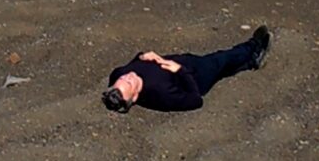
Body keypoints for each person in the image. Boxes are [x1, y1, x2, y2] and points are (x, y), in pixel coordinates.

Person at [101, 25, 271, 113]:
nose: (128, 76)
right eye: (129, 83)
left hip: (186, 60)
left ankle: (251, 63)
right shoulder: (161, 93)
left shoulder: (117, 75)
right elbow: (196, 101)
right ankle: (254, 46)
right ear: (135, 96)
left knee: (223, 71)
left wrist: (142, 56)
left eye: (122, 79)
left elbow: (132, 65)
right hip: (196, 75)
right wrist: (180, 71)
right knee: (222, 58)